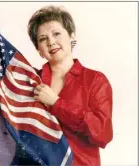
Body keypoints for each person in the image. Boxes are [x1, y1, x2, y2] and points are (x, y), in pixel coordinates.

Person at [27, 5, 113, 166]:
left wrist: (56, 103)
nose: (51, 42)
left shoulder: (95, 80)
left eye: (56, 33)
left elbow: (102, 133)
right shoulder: (31, 80)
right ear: (39, 50)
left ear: (72, 37)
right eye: (43, 38)